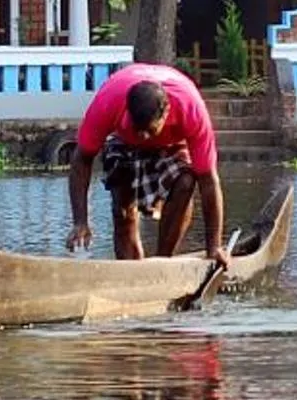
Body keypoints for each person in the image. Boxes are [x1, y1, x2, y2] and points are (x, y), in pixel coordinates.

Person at [67, 62, 229, 267]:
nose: (143, 136)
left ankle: (162, 262)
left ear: (166, 112)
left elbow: (208, 179)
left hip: (171, 143)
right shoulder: (110, 101)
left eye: (149, 130)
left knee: (186, 181)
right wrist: (80, 221)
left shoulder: (190, 108)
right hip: (124, 141)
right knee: (122, 197)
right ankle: (131, 268)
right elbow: (82, 159)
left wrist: (214, 246)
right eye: (138, 128)